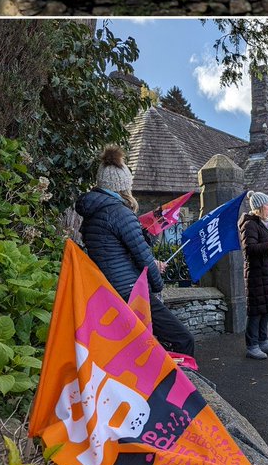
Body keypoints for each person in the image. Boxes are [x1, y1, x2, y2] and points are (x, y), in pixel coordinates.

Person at [75, 145, 196, 356]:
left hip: (108, 291)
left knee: (135, 352)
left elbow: (113, 253)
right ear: (123, 186)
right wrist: (157, 284)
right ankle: (180, 388)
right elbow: (142, 256)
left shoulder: (92, 212)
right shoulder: (120, 212)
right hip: (131, 293)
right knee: (183, 339)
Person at [239, 191, 268, 360]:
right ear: (259, 207)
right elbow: (249, 250)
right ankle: (252, 346)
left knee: (265, 309)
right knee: (255, 311)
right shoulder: (249, 224)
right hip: (256, 274)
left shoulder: (265, 223)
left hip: (267, 272)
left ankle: (263, 342)